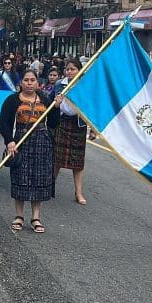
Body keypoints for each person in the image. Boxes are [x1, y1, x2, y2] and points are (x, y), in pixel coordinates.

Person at [0, 70, 60, 234]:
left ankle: (36, 217)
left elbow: (53, 123)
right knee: (20, 177)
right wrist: (9, 141)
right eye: (26, 80)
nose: (29, 83)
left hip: (42, 143)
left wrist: (56, 108)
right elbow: (3, 123)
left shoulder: (45, 100)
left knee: (38, 178)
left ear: (37, 83)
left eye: (33, 80)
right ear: (21, 83)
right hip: (20, 142)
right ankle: (18, 216)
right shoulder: (12, 100)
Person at [51, 60, 94, 205]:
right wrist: (56, 105)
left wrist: (93, 129)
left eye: (73, 69)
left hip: (78, 125)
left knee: (77, 162)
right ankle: (50, 186)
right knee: (57, 158)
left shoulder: (85, 87)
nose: (69, 72)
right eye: (67, 69)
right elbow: (51, 104)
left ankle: (79, 192)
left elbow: (90, 108)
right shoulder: (59, 85)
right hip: (62, 123)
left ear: (79, 70)